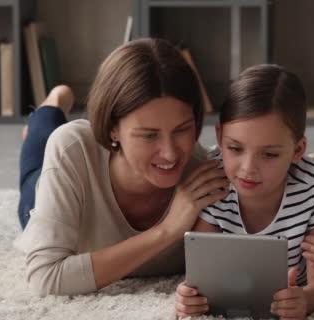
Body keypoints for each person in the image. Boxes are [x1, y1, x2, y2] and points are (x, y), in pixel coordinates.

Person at [14, 38, 229, 296]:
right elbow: (46, 277)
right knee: (40, 153)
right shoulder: (73, 150)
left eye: (182, 129)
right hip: (52, 188)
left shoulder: (204, 173)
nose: (171, 152)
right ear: (113, 128)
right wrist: (166, 230)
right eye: (149, 135)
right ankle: (55, 102)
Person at [174, 64, 314, 319]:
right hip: (298, 172)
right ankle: (304, 161)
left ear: (297, 150)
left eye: (270, 154)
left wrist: (305, 300)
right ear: (219, 137)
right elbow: (199, 275)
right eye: (235, 149)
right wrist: (188, 298)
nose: (248, 169)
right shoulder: (212, 179)